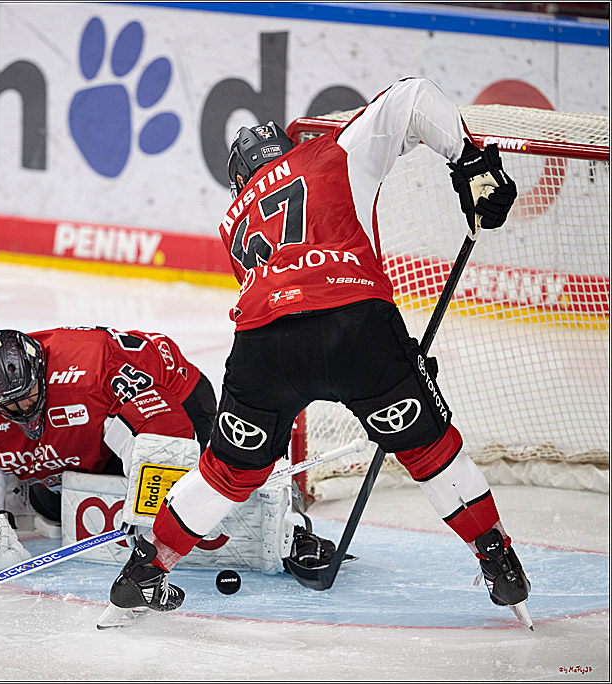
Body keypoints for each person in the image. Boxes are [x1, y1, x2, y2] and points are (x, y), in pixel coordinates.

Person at [106, 77, 530, 624]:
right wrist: (469, 161)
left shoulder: (233, 222)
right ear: (288, 147)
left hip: (265, 346)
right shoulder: (330, 149)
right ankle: (496, 556)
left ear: (239, 180)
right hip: (358, 327)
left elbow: (285, 294)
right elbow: (412, 96)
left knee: (226, 472)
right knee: (428, 450)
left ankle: (145, 570)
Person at [0, 326, 338, 577]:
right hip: (94, 430)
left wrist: (154, 515)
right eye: (8, 406)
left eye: (29, 395)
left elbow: (166, 438)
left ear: (42, 372)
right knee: (54, 507)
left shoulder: (91, 368)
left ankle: (287, 531)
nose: (23, 410)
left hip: (175, 397)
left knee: (195, 495)